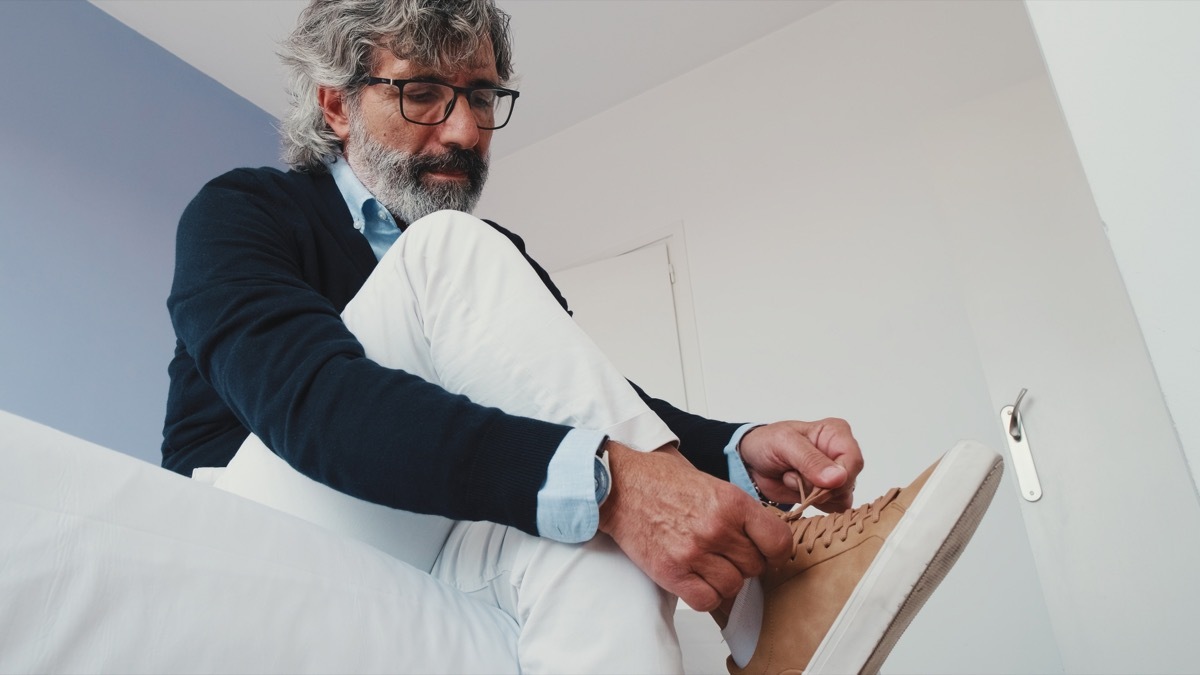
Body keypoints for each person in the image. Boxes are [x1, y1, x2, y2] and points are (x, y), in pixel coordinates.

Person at [163, 1, 1003, 672]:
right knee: (461, 259)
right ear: (337, 106)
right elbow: (311, 402)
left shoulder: (501, 263)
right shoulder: (244, 212)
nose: (462, 131)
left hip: (421, 535)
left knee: (597, 547)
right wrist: (613, 485)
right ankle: (773, 600)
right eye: (422, 92)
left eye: (482, 96)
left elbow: (594, 405)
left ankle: (773, 645)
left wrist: (741, 447)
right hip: (259, 534)